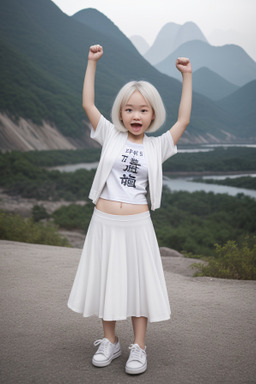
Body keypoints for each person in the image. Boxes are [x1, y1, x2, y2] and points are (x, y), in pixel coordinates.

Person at [68, 44, 192, 375]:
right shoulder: (109, 135)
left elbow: (184, 119)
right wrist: (91, 62)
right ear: (121, 114)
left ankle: (139, 347)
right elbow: (87, 103)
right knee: (109, 281)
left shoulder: (158, 145)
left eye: (143, 110)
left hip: (138, 224)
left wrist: (187, 76)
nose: (135, 116)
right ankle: (110, 341)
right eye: (129, 110)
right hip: (104, 221)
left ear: (152, 115)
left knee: (137, 285)